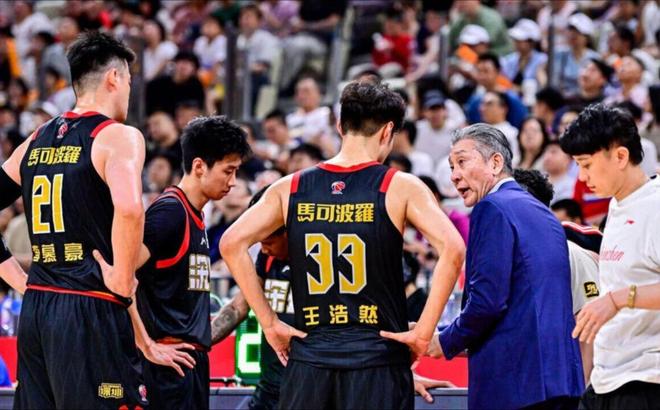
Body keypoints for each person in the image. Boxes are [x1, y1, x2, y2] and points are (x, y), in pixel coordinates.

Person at [220, 81, 465, 409]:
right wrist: (423, 332)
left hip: (309, 362)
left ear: (339, 126)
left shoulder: (289, 187)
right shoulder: (400, 186)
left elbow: (231, 243)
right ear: (387, 131)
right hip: (376, 361)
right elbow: (453, 248)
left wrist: (270, 323)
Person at [0, 31, 149, 408]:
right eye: (129, 81)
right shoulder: (118, 136)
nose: (128, 92)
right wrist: (123, 279)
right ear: (114, 78)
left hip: (37, 310)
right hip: (89, 306)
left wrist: (18, 279)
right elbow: (130, 209)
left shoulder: (36, 138)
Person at [426, 123, 584, 409]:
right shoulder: (543, 212)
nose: (454, 175)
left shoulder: (492, 207)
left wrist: (444, 341)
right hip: (561, 379)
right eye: (451, 166)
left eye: (462, 162)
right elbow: (522, 300)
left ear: (496, 162)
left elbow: (488, 302)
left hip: (516, 385)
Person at [105, 116, 248, 410]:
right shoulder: (170, 213)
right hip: (165, 365)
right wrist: (146, 344)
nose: (233, 182)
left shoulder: (195, 215)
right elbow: (118, 275)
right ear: (199, 166)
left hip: (188, 361)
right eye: (228, 171)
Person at [560, 104, 660, 408]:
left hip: (646, 380)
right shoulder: (618, 204)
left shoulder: (655, 207)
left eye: (587, 164)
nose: (582, 177)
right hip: (607, 378)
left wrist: (617, 299)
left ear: (620, 156)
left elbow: (618, 296)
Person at [512, 168, 601, 385]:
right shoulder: (498, 256)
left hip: (562, 383)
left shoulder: (570, 254)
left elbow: (587, 331)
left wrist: (581, 391)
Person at [211, 185, 292, 410]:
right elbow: (239, 306)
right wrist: (200, 340)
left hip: (306, 387)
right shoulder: (268, 260)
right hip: (269, 387)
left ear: (288, 231)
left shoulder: (316, 261)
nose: (263, 249)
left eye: (268, 242)